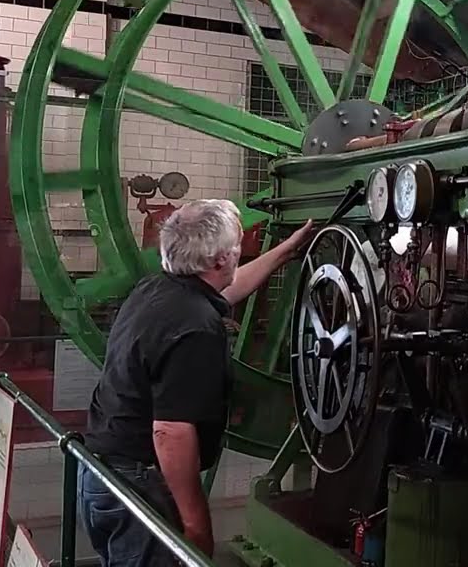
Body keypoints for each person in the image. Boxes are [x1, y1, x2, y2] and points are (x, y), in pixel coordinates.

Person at [77, 199, 313, 566]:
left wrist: (285, 250)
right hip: (140, 484)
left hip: (100, 472)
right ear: (220, 260)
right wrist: (197, 525)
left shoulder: (156, 290)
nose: (240, 252)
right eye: (237, 246)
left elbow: (225, 291)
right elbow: (170, 432)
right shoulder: (196, 328)